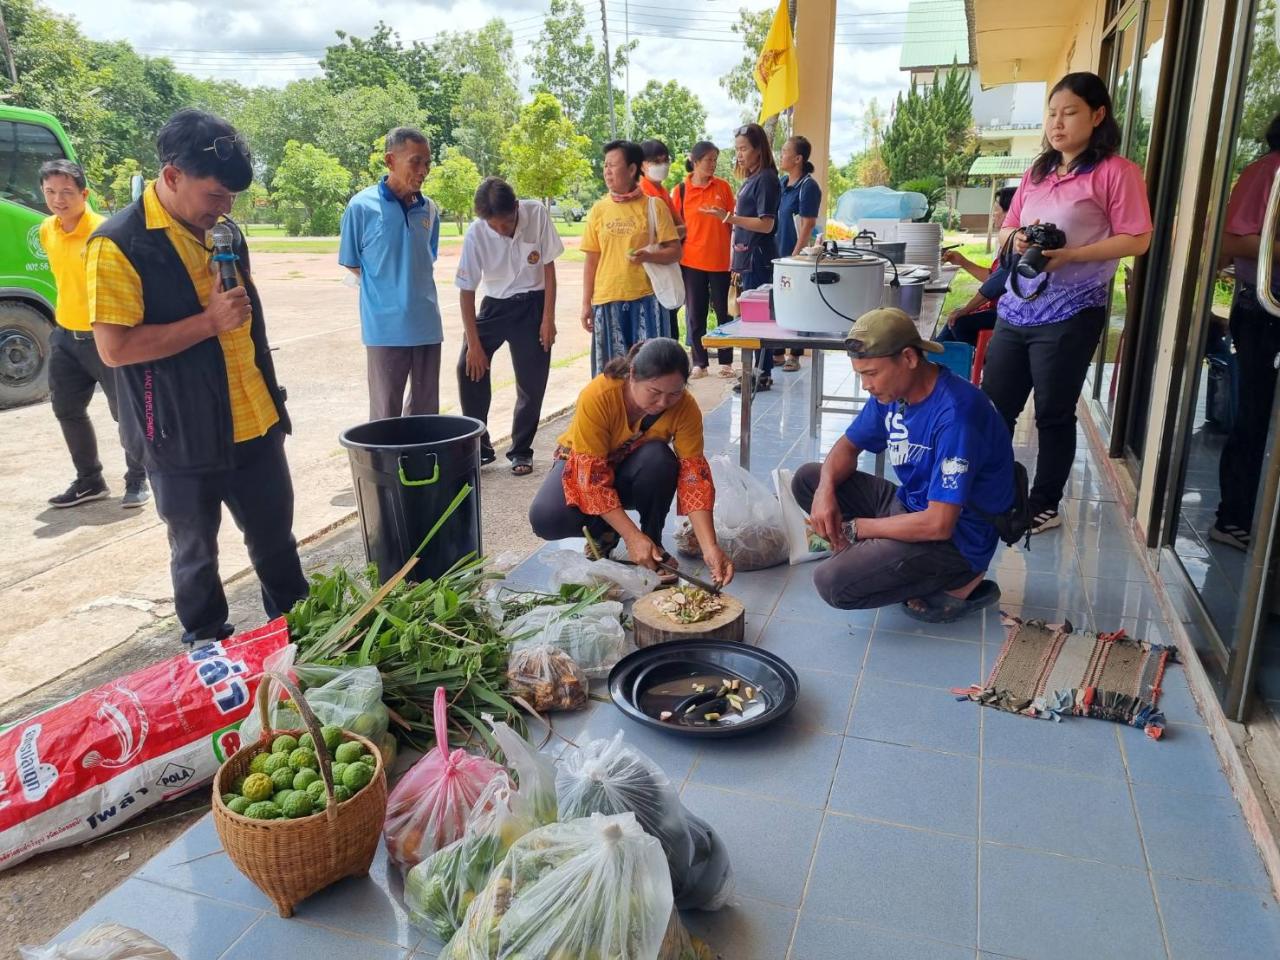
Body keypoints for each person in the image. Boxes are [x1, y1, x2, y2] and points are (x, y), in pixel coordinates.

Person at [87, 109, 306, 646]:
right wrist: (208, 323)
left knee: (278, 547)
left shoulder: (225, 233)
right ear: (172, 176)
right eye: (215, 196)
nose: (223, 208)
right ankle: (209, 659)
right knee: (195, 557)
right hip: (180, 436)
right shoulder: (119, 244)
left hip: (254, 420)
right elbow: (115, 349)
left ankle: (305, 642)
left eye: (231, 198)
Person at [981, 72, 1152, 534]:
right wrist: (1017, 239)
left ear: (1097, 116)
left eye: (1069, 112)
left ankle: (1044, 502)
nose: (1057, 123)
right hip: (1017, 308)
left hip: (1072, 312)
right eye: (1052, 113)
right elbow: (1007, 227)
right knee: (993, 404)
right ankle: (990, 491)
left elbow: (1136, 239)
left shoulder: (1117, 172)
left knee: (1054, 412)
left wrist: (1071, 255)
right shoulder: (1036, 172)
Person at [792, 308, 1014, 621]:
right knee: (808, 480)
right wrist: (825, 490)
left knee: (832, 584)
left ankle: (959, 581)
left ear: (909, 358)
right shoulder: (893, 393)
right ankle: (887, 557)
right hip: (910, 504)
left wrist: (859, 529)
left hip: (956, 538)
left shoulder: (957, 416)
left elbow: (939, 524)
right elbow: (847, 446)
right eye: (860, 375)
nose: (866, 385)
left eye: (871, 374)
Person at [529, 338, 734, 588]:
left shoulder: (685, 408)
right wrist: (630, 535)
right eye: (655, 392)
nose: (663, 404)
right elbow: (591, 478)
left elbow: (694, 479)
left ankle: (652, 542)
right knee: (547, 517)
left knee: (659, 459)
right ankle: (606, 531)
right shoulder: (599, 395)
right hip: (585, 470)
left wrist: (710, 548)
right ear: (633, 374)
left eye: (674, 393)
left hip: (634, 472)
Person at [39, 160, 149, 509]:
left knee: (126, 413)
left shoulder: (105, 232)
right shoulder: (47, 230)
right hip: (66, 336)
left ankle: (138, 479)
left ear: (84, 194)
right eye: (50, 192)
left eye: (67, 192)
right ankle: (90, 480)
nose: (58, 199)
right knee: (66, 409)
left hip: (106, 338)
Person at [455, 176, 563, 476]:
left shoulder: (537, 214)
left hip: (534, 305)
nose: (502, 230)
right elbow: (466, 291)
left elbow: (549, 268)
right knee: (469, 368)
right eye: (494, 226)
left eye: (506, 223)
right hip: (496, 306)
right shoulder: (477, 233)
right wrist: (474, 345)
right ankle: (480, 447)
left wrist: (548, 319)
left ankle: (520, 450)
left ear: (516, 207)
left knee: (532, 382)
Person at [339, 127, 443, 421]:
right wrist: (387, 289)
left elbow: (425, 258)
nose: (423, 170)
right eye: (416, 161)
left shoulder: (430, 210)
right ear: (390, 160)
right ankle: (385, 469)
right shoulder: (361, 207)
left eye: (428, 163)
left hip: (427, 325)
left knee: (426, 415)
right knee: (385, 415)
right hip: (384, 329)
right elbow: (352, 262)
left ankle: (421, 467)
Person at [1212, 113, 1280, 551]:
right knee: (1255, 416)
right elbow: (1228, 241)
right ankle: (1234, 516)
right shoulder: (1267, 171)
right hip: (1264, 310)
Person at [580, 140, 682, 375]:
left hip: (647, 300)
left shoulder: (654, 206)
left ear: (632, 169)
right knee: (612, 375)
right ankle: (615, 413)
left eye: (613, 165)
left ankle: (654, 413)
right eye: (605, 166)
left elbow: (675, 251)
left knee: (651, 373)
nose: (607, 171)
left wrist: (649, 255)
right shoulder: (598, 210)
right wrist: (586, 304)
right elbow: (591, 261)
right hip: (607, 301)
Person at [701, 123, 780, 392]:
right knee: (753, 316)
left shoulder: (767, 179)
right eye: (737, 149)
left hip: (759, 258)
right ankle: (758, 371)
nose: (740, 154)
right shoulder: (752, 178)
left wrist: (727, 217)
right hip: (748, 258)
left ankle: (761, 372)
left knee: (760, 318)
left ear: (759, 149)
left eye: (744, 148)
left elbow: (766, 224)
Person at [673, 141, 737, 379]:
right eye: (709, 160)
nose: (713, 164)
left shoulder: (723, 187)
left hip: (721, 262)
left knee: (724, 314)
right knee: (695, 314)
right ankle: (699, 362)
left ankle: (726, 361)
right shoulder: (681, 190)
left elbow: (734, 222)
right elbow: (676, 226)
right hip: (692, 262)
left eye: (715, 160)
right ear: (695, 161)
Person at [938, 186, 1018, 346]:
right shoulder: (1007, 243)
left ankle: (979, 364)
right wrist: (963, 262)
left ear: (1011, 213)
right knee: (952, 321)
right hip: (997, 307)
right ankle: (931, 358)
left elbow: (993, 286)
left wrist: (966, 310)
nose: (993, 215)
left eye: (996, 210)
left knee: (960, 322)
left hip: (1010, 313)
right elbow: (992, 278)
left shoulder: (1018, 245)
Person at [776, 135, 822, 373]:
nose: (781, 155)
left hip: (796, 257)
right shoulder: (783, 184)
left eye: (785, 152)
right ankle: (778, 351)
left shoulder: (808, 187)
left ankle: (794, 353)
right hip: (780, 253)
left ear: (798, 158)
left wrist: (795, 256)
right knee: (782, 301)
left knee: (799, 304)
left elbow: (807, 225)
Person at [640, 138, 686, 341]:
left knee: (669, 323)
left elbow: (681, 226)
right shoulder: (645, 192)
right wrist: (672, 233)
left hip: (666, 261)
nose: (662, 166)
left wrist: (672, 233)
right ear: (642, 165)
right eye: (656, 161)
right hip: (651, 271)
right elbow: (657, 234)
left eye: (665, 160)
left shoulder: (661, 191)